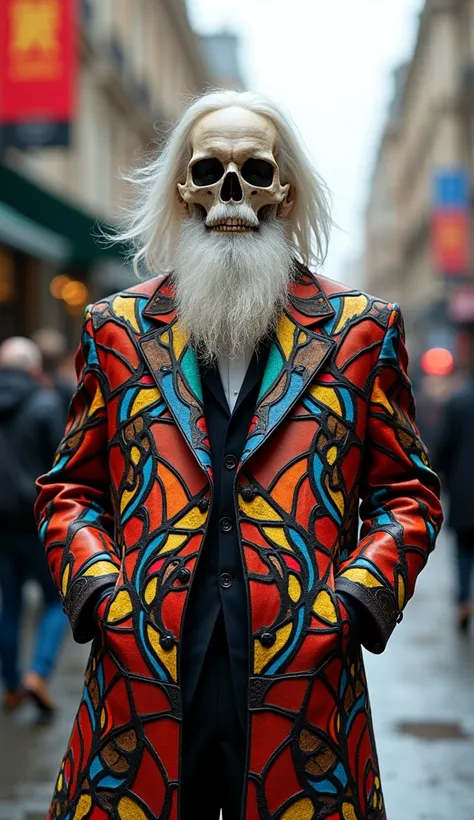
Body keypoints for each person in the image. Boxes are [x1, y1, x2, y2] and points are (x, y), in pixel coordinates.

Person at [36, 91, 443, 820]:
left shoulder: (361, 331)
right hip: (143, 685)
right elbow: (69, 488)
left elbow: (408, 496)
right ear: (184, 190)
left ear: (283, 188)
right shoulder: (116, 330)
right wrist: (104, 594)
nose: (232, 195)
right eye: (208, 172)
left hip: (306, 691)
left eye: (252, 171)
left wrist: (348, 607)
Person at [0, 337, 68, 714]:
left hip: (2, 525)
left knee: (9, 605)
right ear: (33, 368)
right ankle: (37, 674)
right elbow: (61, 467)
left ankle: (11, 685)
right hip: (36, 521)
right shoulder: (44, 404)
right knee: (55, 602)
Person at [436, 373, 474, 632]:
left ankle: (464, 602)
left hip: (464, 490)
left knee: (463, 551)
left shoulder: (458, 402)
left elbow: (445, 446)